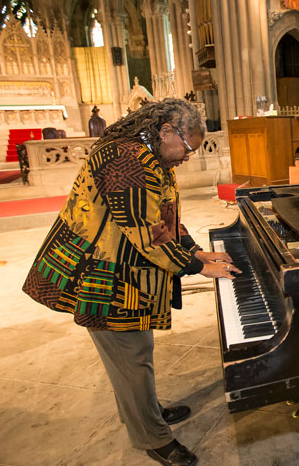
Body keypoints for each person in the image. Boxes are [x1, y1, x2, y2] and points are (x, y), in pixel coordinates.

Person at [22, 98, 240, 466]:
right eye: (188, 149)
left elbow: (164, 216)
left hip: (123, 272)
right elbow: (146, 233)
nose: (188, 158)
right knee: (131, 360)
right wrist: (195, 266)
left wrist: (195, 250)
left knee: (135, 355)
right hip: (101, 276)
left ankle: (145, 410)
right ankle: (152, 437)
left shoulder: (150, 154)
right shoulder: (128, 162)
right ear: (166, 131)